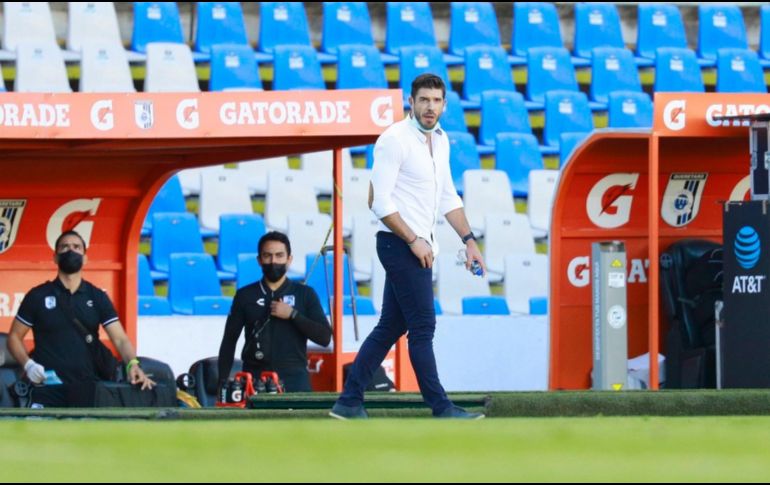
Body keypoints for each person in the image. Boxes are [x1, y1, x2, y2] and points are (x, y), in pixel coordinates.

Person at [330, 73, 487, 420]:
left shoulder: (442, 140)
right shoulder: (394, 140)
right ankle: (441, 406)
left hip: (420, 246)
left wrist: (469, 241)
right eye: (424, 100)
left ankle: (349, 401)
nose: (430, 107)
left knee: (390, 326)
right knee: (423, 327)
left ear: (444, 105)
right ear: (411, 103)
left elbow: (448, 196)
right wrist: (413, 240)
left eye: (436, 101)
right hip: (400, 244)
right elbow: (379, 202)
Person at [6, 230, 155, 407]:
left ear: (85, 258)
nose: (71, 251)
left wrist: (132, 364)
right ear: (55, 257)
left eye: (77, 247)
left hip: (88, 388)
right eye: (65, 247)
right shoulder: (37, 296)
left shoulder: (97, 296)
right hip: (46, 387)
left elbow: (121, 339)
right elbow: (14, 337)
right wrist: (28, 365)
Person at [218, 231, 332, 393]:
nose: (273, 261)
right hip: (254, 380)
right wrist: (222, 383)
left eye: (279, 256)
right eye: (267, 256)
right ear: (259, 260)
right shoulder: (245, 295)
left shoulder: (305, 294)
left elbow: (324, 337)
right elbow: (229, 342)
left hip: (295, 380)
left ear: (289, 259)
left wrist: (293, 315)